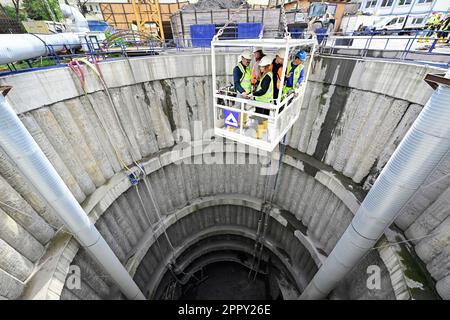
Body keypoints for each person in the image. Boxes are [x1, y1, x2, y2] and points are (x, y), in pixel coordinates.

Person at [251, 56, 273, 139]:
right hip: (266, 100)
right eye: (260, 66)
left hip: (262, 100)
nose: (260, 68)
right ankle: (264, 129)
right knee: (265, 115)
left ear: (267, 66)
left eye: (262, 66)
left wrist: (254, 94)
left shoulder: (267, 76)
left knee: (260, 116)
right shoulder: (269, 74)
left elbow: (263, 90)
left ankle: (259, 134)